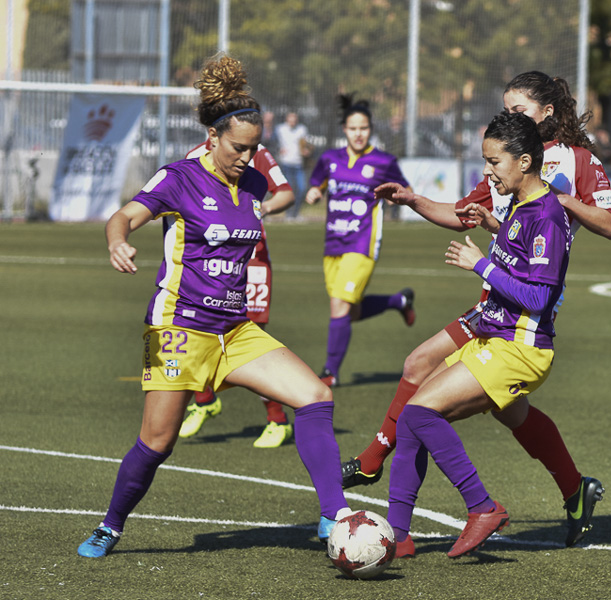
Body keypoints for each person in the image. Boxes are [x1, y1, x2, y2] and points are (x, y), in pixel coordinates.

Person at [77, 54, 351, 559]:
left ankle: (334, 515)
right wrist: (118, 241)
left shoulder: (251, 184)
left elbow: (272, 198)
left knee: (315, 396)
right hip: (178, 327)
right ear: (213, 137)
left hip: (235, 330)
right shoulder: (179, 177)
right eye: (239, 148)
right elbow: (125, 215)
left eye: (254, 148)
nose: (248, 158)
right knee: (157, 443)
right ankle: (111, 525)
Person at [350, 71, 611, 551]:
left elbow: (609, 224)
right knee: (498, 410)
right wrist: (415, 200)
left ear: (546, 114)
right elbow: (464, 215)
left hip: (521, 314)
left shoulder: (570, 166)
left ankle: (399, 473)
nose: (510, 117)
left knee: (426, 399)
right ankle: (570, 490)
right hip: (495, 305)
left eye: (519, 110)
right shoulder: (508, 166)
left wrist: (555, 204)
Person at [385, 110, 573, 559]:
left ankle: (482, 508)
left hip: (520, 348)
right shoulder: (520, 207)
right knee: (414, 415)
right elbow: (519, 257)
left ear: (525, 162)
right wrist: (495, 229)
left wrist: (481, 264)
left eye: (495, 162)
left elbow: (539, 298)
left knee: (423, 413)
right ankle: (397, 534)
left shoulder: (545, 214)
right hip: (496, 336)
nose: (487, 171)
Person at [177, 128, 298, 449]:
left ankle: (278, 421)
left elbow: (285, 193)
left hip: (252, 262)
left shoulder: (254, 153)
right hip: (210, 266)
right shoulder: (191, 160)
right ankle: (204, 401)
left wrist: (262, 209)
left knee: (252, 343)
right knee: (198, 333)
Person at [305, 94, 417, 388]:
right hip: (333, 245)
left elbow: (407, 191)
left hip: (362, 244)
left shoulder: (383, 161)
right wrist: (314, 192)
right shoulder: (330, 159)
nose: (358, 133)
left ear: (370, 129)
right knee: (349, 311)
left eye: (364, 128)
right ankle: (398, 301)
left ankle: (330, 372)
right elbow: (316, 181)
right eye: (353, 128)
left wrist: (398, 198)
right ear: (344, 128)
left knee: (339, 307)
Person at [275, 111, 311, 219]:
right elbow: (273, 142)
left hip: (298, 164)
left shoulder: (302, 129)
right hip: (286, 163)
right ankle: (288, 214)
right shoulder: (280, 129)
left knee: (301, 188)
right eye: (291, 119)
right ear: (287, 119)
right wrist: (278, 150)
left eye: (295, 119)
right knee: (289, 190)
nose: (293, 122)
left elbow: (305, 144)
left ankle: (296, 213)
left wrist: (306, 151)